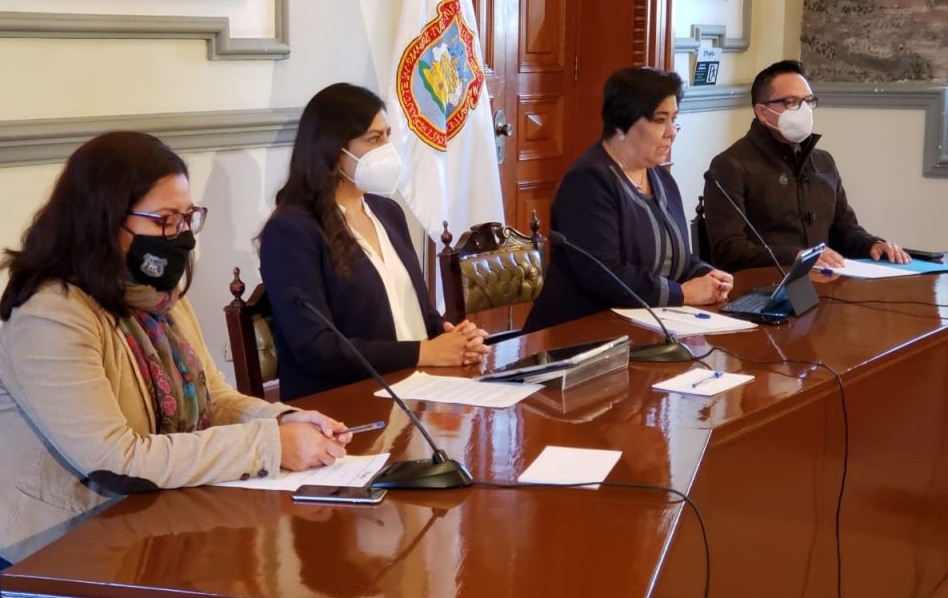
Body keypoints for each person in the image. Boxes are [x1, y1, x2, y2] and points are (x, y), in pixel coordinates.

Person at [0, 132, 352, 598]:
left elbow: (214, 399)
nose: (182, 236)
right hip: (50, 552)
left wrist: (284, 420)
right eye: (165, 220)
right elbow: (116, 462)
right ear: (103, 219)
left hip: (144, 524)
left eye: (187, 217)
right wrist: (270, 445)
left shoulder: (160, 299)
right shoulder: (51, 314)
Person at [259, 83, 489, 401]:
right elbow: (316, 347)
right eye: (374, 139)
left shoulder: (388, 212)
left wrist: (452, 338)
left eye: (387, 136)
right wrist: (425, 352)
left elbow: (416, 310)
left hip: (421, 386)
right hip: (347, 402)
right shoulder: (291, 231)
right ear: (333, 149)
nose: (387, 149)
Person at [524, 67, 732, 333]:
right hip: (581, 333)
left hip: (649, 327)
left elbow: (677, 258)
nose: (672, 132)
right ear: (622, 124)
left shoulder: (662, 180)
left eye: (674, 119)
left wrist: (707, 276)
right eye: (660, 120)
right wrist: (683, 294)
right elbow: (603, 274)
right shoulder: (588, 181)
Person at [704, 59, 910, 271]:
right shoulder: (730, 165)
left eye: (808, 101)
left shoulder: (824, 162)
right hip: (766, 283)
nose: (803, 110)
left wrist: (873, 245)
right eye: (791, 102)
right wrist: (797, 257)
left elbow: (845, 230)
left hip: (826, 281)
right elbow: (729, 251)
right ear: (762, 112)